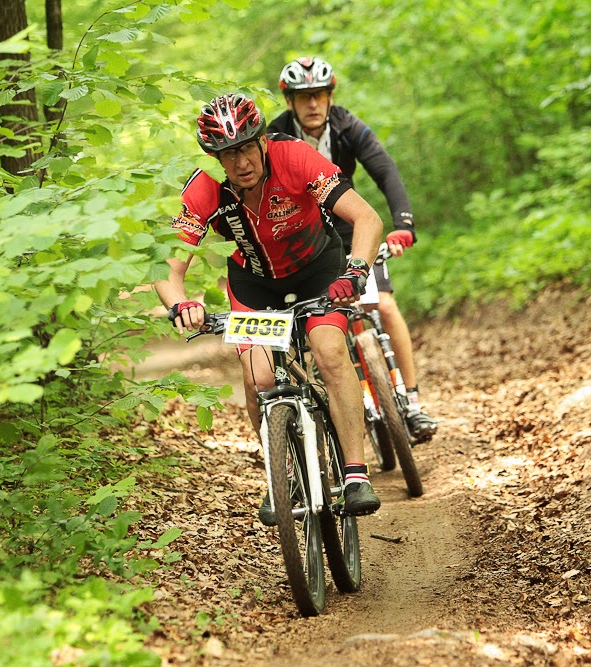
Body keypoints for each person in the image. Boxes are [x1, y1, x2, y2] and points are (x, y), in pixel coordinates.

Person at [154, 93, 385, 524]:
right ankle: (282, 473)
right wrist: (180, 303)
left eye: (246, 147)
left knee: (329, 350)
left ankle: (356, 474)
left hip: (319, 269)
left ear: (262, 140)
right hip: (255, 282)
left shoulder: (295, 158)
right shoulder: (206, 188)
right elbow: (167, 265)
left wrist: (355, 271)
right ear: (215, 158)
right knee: (258, 377)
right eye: (228, 154)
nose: (240, 162)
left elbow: (367, 218)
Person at [268, 57, 438, 444]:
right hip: (302, 238)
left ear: (330, 96)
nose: (313, 104)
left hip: (349, 229)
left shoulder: (348, 127)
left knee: (385, 306)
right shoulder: (276, 135)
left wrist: (403, 224)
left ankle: (411, 400)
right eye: (304, 97)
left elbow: (385, 170)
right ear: (290, 101)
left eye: (319, 95)